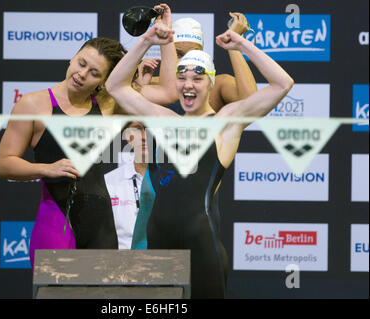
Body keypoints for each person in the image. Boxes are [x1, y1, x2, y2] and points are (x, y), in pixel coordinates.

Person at [105, 19, 294, 298]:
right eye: (181, 77)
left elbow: (282, 84)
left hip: (202, 246)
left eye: (197, 77)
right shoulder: (162, 119)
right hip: (158, 243)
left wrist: (240, 44)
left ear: (211, 81)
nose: (188, 85)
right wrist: (146, 40)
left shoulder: (225, 124)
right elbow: (115, 86)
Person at [0, 4, 177, 268]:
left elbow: (169, 93)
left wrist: (164, 37)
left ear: (103, 82)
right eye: (81, 63)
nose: (81, 74)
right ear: (73, 57)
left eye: (94, 73)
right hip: (56, 222)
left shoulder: (107, 105)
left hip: (102, 226)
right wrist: (46, 169)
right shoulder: (33, 105)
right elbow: (4, 164)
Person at [135, 13, 257, 113]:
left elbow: (253, 104)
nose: (187, 61)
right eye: (179, 54)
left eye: (193, 53)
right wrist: (140, 84)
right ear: (167, 53)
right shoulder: (151, 84)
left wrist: (233, 45)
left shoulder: (216, 86)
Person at [104, 121, 155, 250]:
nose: (144, 136)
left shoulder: (170, 182)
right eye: (137, 129)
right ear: (127, 136)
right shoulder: (109, 182)